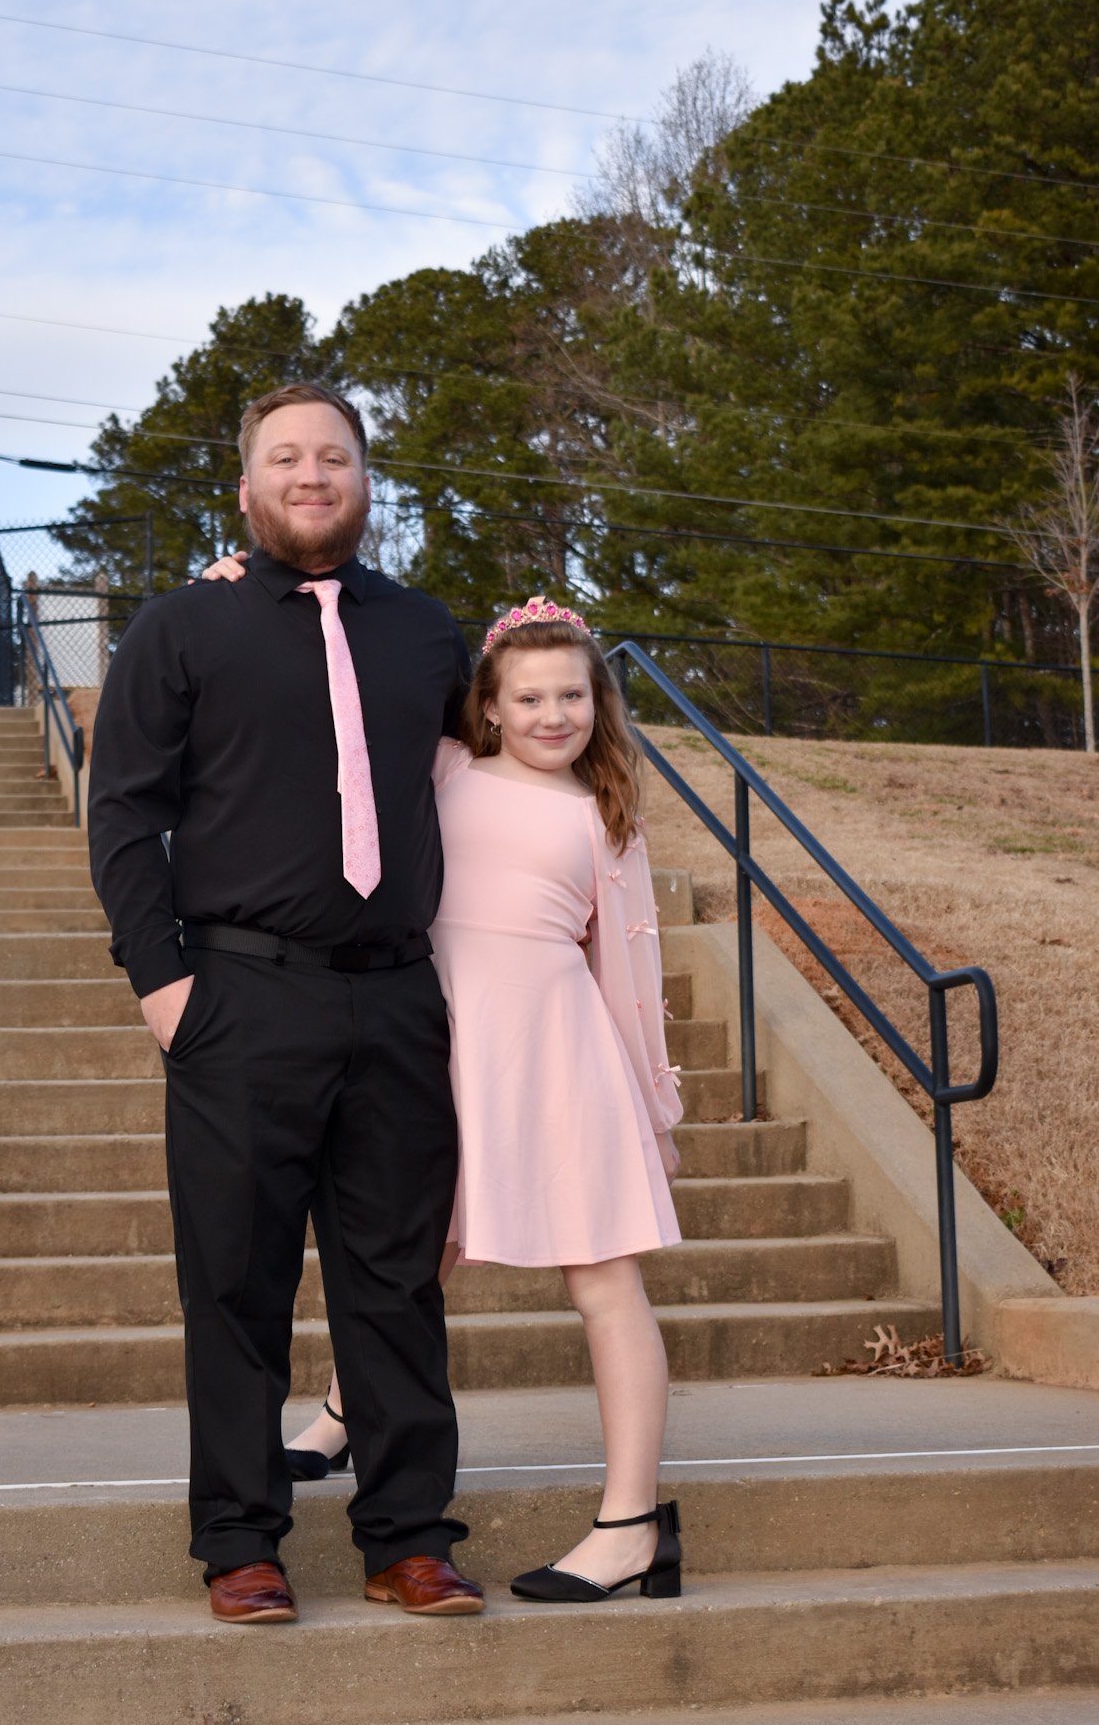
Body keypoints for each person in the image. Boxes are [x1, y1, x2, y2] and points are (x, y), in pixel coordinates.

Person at [201, 564, 687, 1601]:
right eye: (528, 696)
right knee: (412, 1251)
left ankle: (631, 1520)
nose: (551, 713)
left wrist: (652, 1104)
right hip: (431, 1039)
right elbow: (339, 680)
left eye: (571, 694)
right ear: (489, 706)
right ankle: (341, 1412)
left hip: (556, 1052)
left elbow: (630, 974)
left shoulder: (605, 814)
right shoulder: (445, 770)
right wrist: (240, 586)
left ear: (597, 702)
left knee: (602, 1280)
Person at [88, 381, 483, 1625]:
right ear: (247, 485)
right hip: (239, 1002)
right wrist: (166, 986)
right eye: (284, 457)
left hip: (396, 1002)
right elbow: (124, 815)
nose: (312, 474)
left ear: (366, 479)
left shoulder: (429, 635)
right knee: (236, 1282)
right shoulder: (180, 629)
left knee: (393, 1284)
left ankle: (409, 1534)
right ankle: (240, 1538)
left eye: (335, 456)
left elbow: (498, 772)